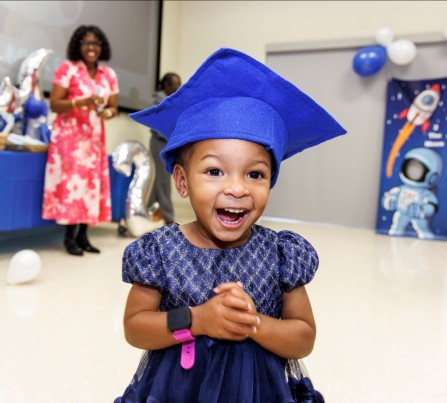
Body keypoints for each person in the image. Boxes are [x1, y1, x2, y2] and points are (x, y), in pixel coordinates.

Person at [114, 48, 346, 402]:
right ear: (181, 180)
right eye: (214, 171)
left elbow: (303, 337)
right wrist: (197, 320)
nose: (237, 188)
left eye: (255, 174)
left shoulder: (281, 255)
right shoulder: (160, 251)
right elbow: (135, 328)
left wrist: (253, 322)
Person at [42, 25, 119, 256]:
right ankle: (69, 238)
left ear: (102, 47)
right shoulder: (67, 69)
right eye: (86, 43)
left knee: (90, 185)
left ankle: (84, 236)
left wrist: (108, 113)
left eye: (96, 43)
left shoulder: (109, 75)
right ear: (78, 46)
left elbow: (113, 107)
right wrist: (81, 102)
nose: (91, 47)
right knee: (72, 186)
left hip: (94, 138)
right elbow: (55, 103)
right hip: (69, 139)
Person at [147, 73, 182, 225]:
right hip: (159, 143)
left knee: (159, 181)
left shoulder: (174, 100)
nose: (178, 87)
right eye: (175, 84)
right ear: (167, 85)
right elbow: (163, 124)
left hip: (168, 143)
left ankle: (147, 210)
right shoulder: (158, 99)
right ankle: (169, 218)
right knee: (163, 181)